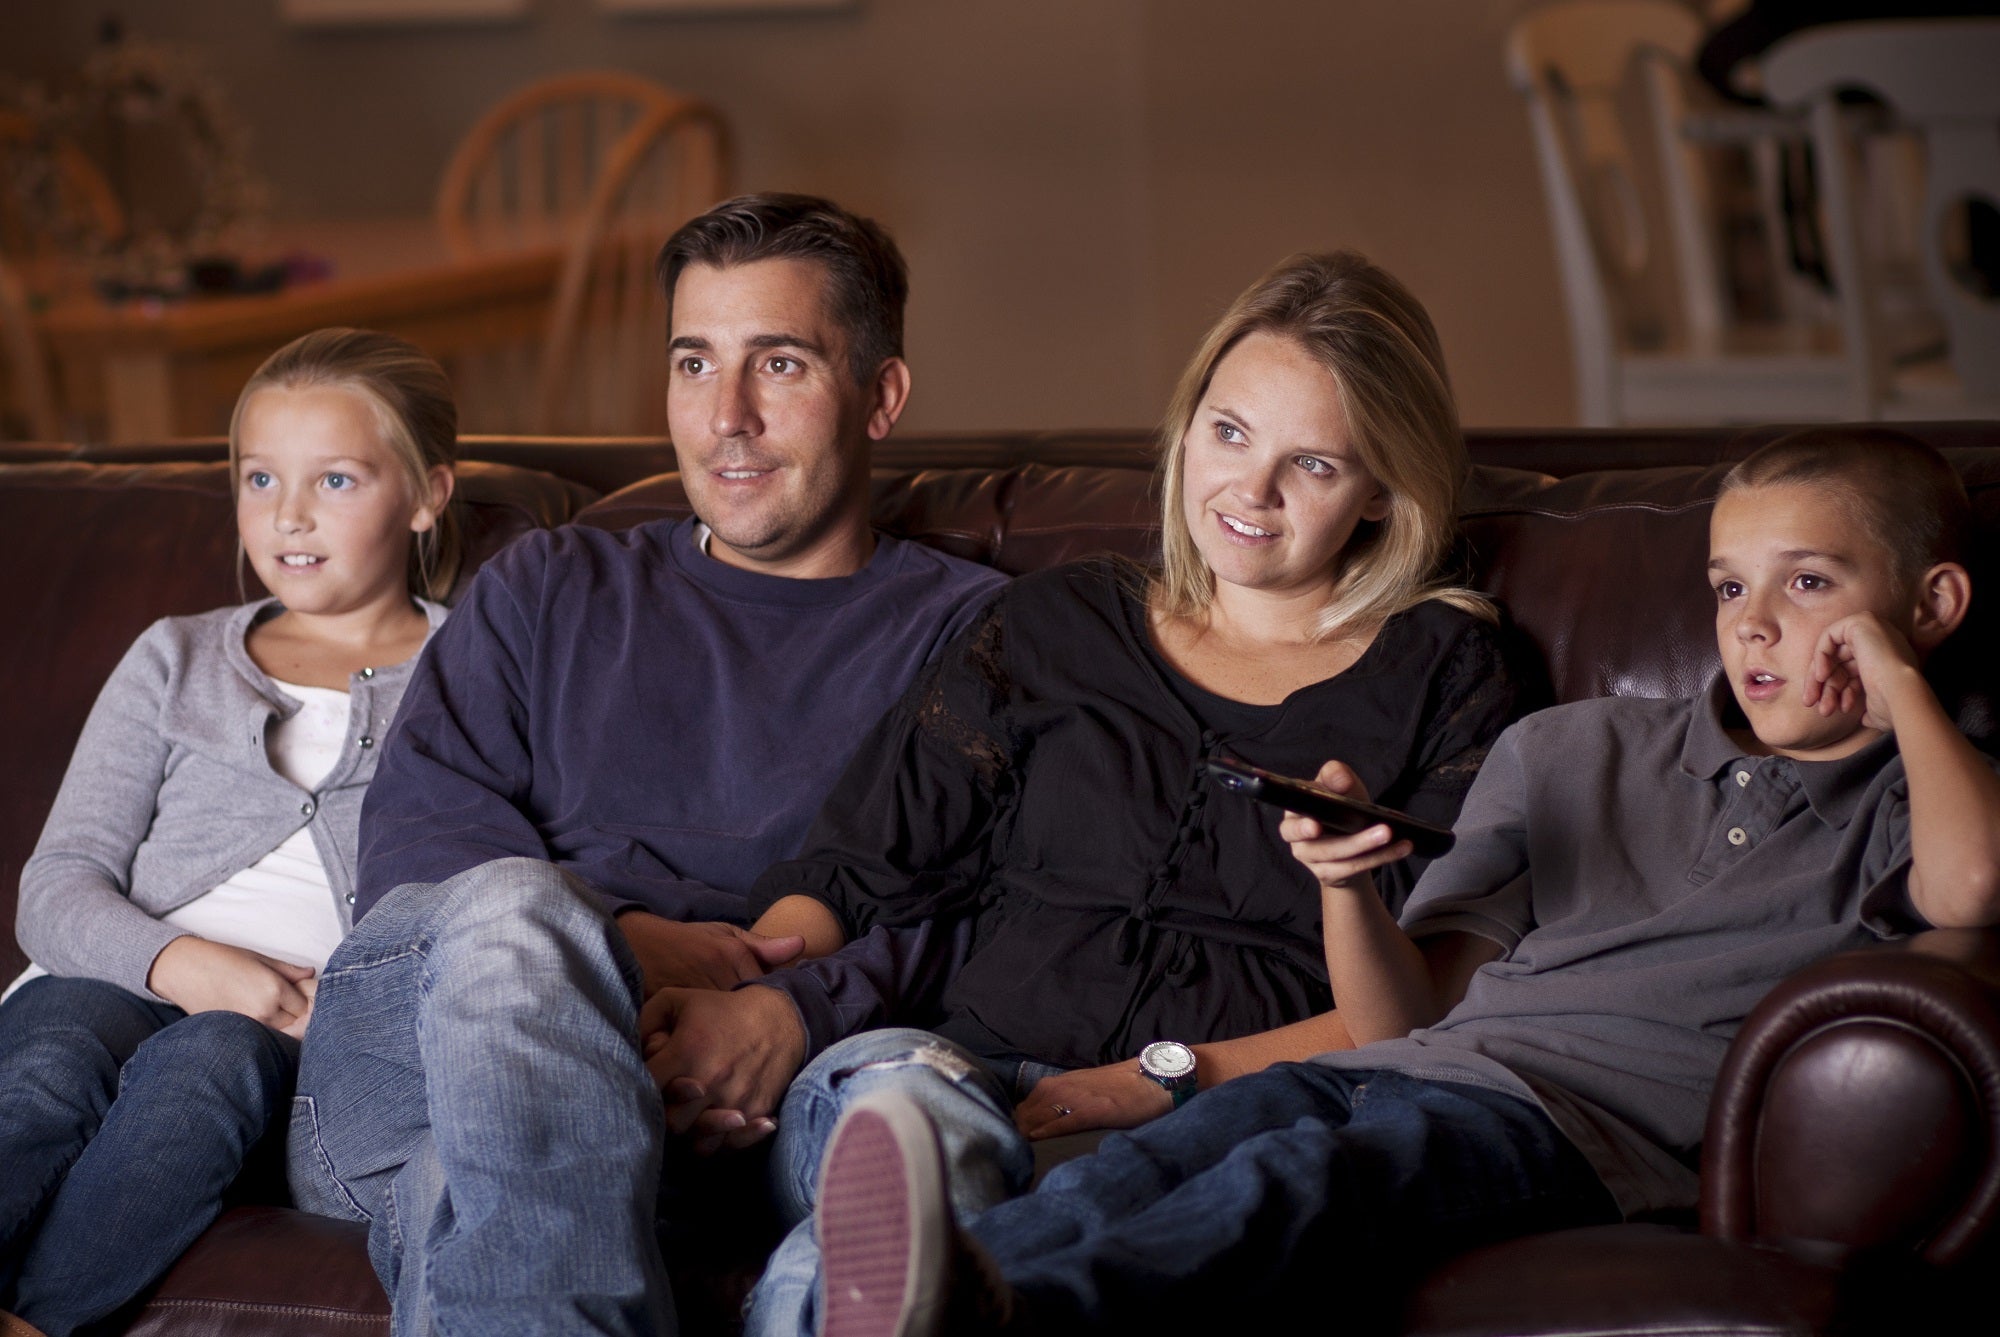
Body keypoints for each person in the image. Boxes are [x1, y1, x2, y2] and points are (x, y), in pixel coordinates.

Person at [804, 425, 2000, 1337]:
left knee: (1301, 1180)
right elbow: (1405, 1015)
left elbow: (1969, 888)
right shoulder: (1574, 746)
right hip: (1404, 1064)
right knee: (1162, 1156)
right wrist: (1345, 887)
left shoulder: (1918, 799)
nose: (1752, 626)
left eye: (1805, 584)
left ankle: (1002, 1310)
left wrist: (1893, 684)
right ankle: (936, 1290)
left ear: (1929, 604)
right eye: (1728, 586)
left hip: (1573, 1131)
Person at [640, 251, 1525, 1335]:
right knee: (900, 1119)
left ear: (1383, 487)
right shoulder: (1059, 623)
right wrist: (746, 991)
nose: (1248, 492)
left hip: (1231, 1116)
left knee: (971, 1239)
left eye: (1313, 465)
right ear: (1187, 427)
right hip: (961, 1075)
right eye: (1229, 432)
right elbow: (864, 859)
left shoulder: (1443, 669)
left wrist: (1163, 1078)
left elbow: (1433, 1005)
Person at [281, 194, 1007, 1336]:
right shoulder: (547, 585)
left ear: (880, 396)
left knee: (921, 1102)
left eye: (778, 363)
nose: (726, 417)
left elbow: (1007, 898)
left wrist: (793, 1012)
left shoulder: (978, 636)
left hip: (775, 1087)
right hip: (443, 1055)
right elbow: (420, 850)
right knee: (515, 912)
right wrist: (604, 948)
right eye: (691, 362)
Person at [0, 328, 458, 1337]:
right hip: (113, 972)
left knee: (214, 1063)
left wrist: (265, 1000)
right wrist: (188, 960)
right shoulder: (176, 656)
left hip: (289, 1034)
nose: (288, 513)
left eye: (334, 478)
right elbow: (57, 886)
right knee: (49, 1064)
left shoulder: (471, 670)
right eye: (259, 477)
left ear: (427, 494)